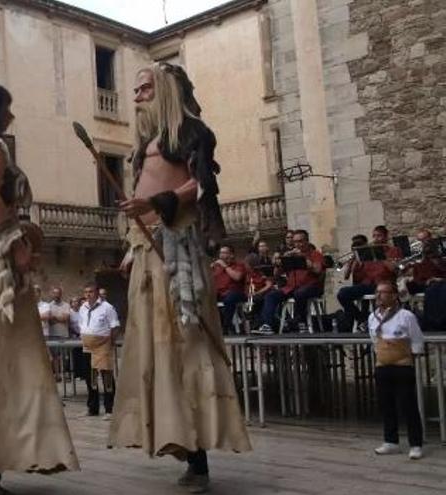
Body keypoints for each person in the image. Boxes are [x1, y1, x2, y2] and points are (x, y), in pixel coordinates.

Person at [112, 64, 251, 493]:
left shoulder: (192, 131)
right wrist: (134, 242)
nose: (137, 97)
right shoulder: (147, 142)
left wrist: (158, 202)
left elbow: (200, 184)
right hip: (148, 249)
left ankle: (199, 458)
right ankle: (180, 441)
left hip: (177, 250)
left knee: (186, 347)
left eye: (145, 88)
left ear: (167, 90)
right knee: (160, 352)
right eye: (135, 89)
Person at [0, 82, 79, 490]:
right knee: (14, 351)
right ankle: (9, 453)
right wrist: (18, 245)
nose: (11, 115)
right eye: (6, 107)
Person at [368, 281, 424, 460]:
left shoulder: (405, 316)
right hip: (382, 364)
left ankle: (416, 444)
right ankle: (390, 441)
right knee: (386, 404)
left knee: (408, 405)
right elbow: (374, 339)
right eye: (377, 292)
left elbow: (416, 338)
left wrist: (411, 357)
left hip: (402, 365)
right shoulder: (372, 317)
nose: (379, 296)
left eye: (383, 292)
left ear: (394, 296)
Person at [257, 230, 325, 334]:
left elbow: (317, 270)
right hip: (291, 287)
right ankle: (267, 325)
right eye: (295, 242)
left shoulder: (315, 254)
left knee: (300, 293)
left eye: (300, 241)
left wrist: (302, 257)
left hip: (311, 286)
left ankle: (302, 322)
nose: (298, 244)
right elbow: (276, 274)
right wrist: (280, 262)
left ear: (307, 241)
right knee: (271, 296)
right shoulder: (291, 255)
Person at [338, 227, 401, 331]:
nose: (376, 238)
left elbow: (395, 270)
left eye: (379, 236)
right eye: (374, 236)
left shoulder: (394, 250)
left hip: (385, 284)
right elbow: (351, 275)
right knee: (342, 293)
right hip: (368, 284)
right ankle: (362, 319)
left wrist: (381, 257)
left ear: (386, 236)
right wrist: (354, 261)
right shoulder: (368, 252)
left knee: (382, 295)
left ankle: (379, 324)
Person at [78, 284, 120, 418]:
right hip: (88, 346)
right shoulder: (83, 307)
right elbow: (81, 324)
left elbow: (115, 326)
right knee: (91, 378)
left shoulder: (107, 307)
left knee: (106, 377)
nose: (88, 294)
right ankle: (93, 408)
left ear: (97, 293)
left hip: (103, 345)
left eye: (91, 291)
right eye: (86, 292)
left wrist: (110, 342)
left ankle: (110, 409)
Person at [212, 245, 248, 334]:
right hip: (220, 293)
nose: (221, 255)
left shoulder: (239, 265)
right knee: (206, 299)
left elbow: (237, 277)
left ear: (231, 255)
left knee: (229, 299)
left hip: (236, 293)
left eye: (224, 253)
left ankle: (226, 326)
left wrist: (225, 266)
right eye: (221, 253)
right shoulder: (217, 268)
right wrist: (209, 269)